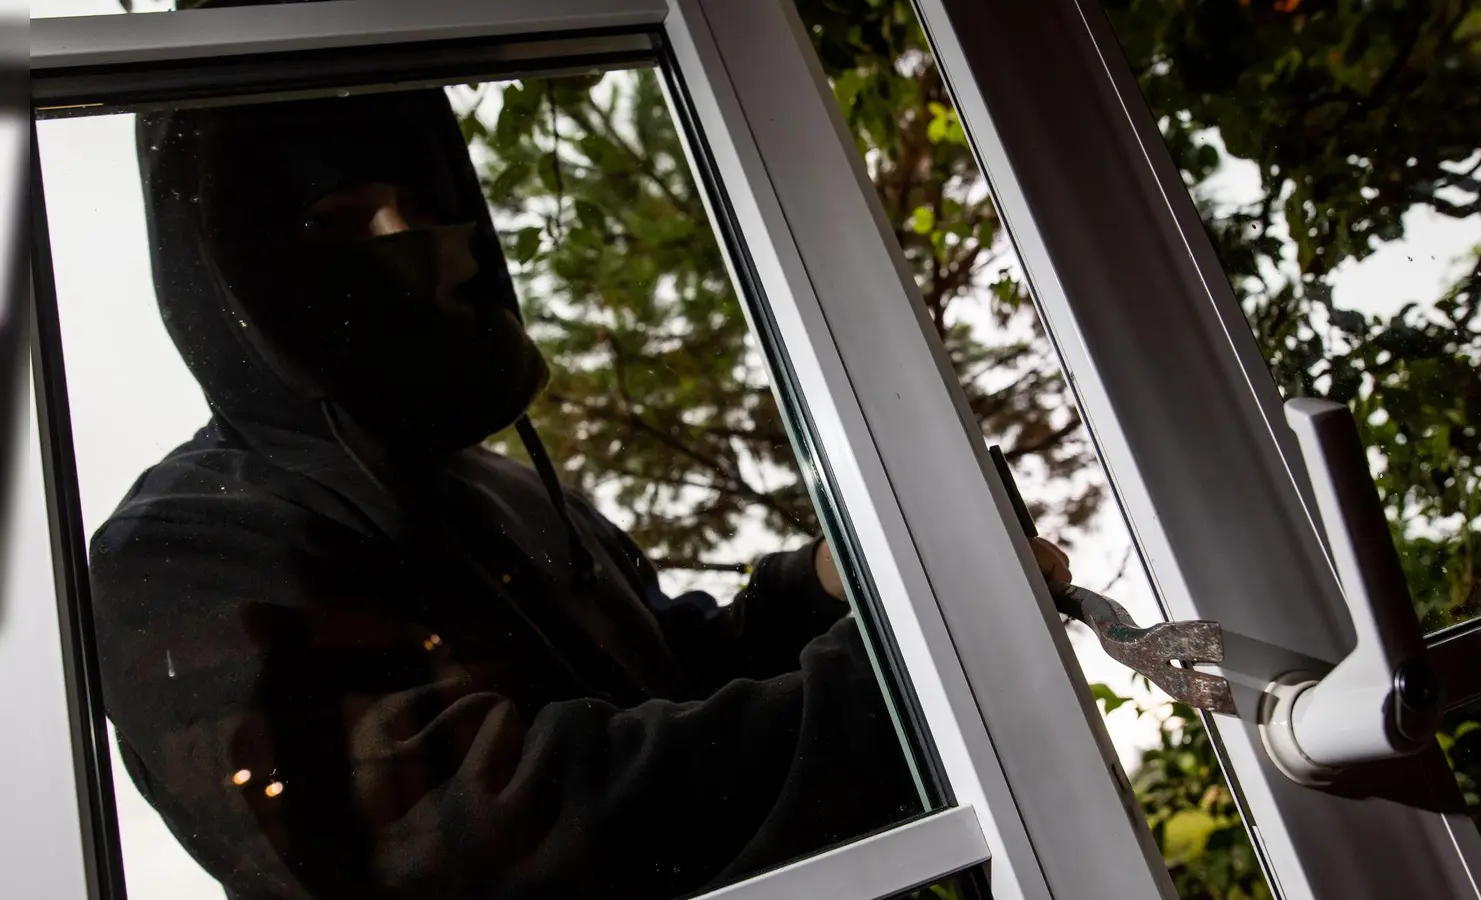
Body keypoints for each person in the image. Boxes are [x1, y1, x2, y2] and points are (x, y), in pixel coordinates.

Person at [87, 84, 1074, 900]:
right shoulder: (190, 544)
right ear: (237, 275)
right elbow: (475, 841)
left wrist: (823, 583)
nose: (408, 242)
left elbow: (671, 677)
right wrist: (917, 677)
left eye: (430, 212)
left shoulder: (503, 491)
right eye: (339, 223)